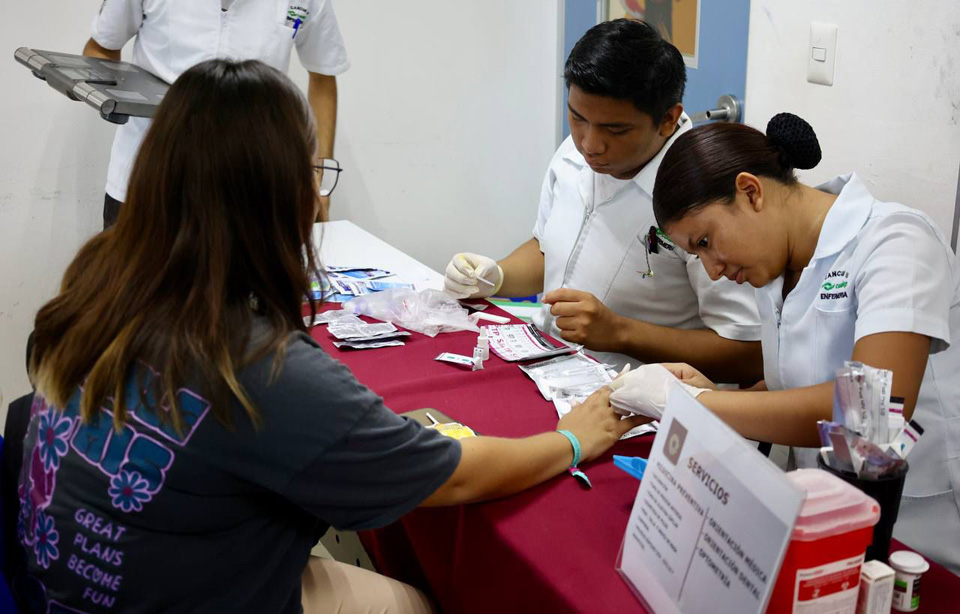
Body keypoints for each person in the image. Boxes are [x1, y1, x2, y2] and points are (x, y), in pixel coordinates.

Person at [11, 59, 648, 614]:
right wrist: (570, 438)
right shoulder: (255, 362)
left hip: (68, 579)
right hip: (168, 592)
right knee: (412, 602)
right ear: (275, 199)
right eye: (310, 172)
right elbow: (447, 479)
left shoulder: (100, 277)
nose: (318, 196)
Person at [622, 113, 960, 573]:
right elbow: (794, 391)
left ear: (750, 191)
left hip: (918, 538)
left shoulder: (896, 241)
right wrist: (712, 397)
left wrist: (697, 404)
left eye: (706, 241)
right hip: (832, 522)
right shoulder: (775, 270)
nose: (713, 269)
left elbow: (872, 412)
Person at [442, 19, 762, 383]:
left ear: (668, 120)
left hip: (636, 402)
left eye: (616, 130)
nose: (590, 144)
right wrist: (495, 276)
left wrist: (621, 333)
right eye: (577, 118)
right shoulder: (576, 153)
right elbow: (549, 250)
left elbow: (749, 353)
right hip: (547, 367)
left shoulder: (704, 196)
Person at [83, 0, 349, 228]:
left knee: (245, 288)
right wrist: (115, 97)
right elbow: (101, 48)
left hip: (249, 188)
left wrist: (319, 174)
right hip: (146, 180)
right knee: (132, 286)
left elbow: (323, 75)